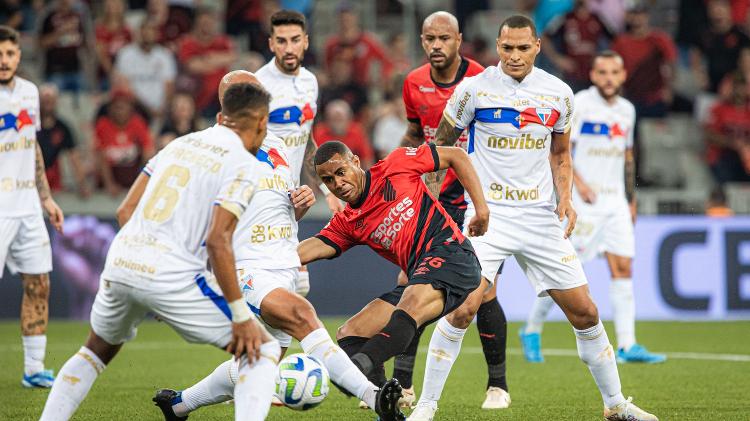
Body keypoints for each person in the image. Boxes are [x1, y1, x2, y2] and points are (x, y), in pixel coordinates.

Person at [407, 16, 658, 421]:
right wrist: (432, 201)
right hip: (489, 217)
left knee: (586, 312)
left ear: (537, 46)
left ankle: (615, 405)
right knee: (462, 308)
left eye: (523, 48)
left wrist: (567, 200)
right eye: (507, 48)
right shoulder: (474, 90)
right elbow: (440, 147)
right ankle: (427, 406)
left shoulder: (558, 94)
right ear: (498, 46)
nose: (515, 56)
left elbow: (560, 153)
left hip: (540, 218)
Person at [151, 70, 391, 421]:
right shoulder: (209, 148)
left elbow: (277, 204)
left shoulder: (278, 145)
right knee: (303, 317)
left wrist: (300, 204)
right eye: (241, 94)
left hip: (285, 264)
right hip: (247, 267)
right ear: (224, 105)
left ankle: (180, 404)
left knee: (262, 361)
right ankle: (374, 397)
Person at [39, 82, 281, 421]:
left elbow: (125, 211)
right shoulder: (244, 164)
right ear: (259, 122)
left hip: (122, 260)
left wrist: (146, 284)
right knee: (263, 347)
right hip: (170, 273)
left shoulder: (179, 144)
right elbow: (218, 240)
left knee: (96, 351)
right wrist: (240, 315)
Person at [338, 11, 510, 411]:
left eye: (444, 38)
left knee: (484, 291)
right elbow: (416, 134)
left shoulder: (482, 80)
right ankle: (402, 385)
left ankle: (497, 385)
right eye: (429, 38)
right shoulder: (414, 82)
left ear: (459, 39)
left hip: (470, 191)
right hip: (431, 194)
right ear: (422, 40)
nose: (436, 45)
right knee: (409, 281)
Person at [299, 139, 492, 421]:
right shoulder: (348, 222)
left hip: (453, 255)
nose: (338, 183)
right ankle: (387, 412)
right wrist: (257, 264)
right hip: (420, 276)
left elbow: (457, 156)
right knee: (351, 333)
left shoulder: (396, 164)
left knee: (409, 302)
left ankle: (355, 371)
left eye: (341, 172)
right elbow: (308, 249)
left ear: (355, 161)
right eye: (328, 180)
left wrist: (481, 209)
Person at [521, 50, 667, 364]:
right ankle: (531, 329)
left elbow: (628, 157)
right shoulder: (581, 104)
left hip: (615, 203)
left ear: (623, 75)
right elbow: (559, 150)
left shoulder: (627, 110)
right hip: (584, 204)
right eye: (603, 72)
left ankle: (628, 345)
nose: (609, 78)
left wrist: (631, 199)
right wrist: (579, 185)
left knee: (623, 268)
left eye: (615, 72)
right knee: (565, 273)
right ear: (593, 75)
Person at [255, 10, 345, 299]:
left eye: (294, 40)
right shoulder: (258, 85)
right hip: (263, 195)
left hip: (292, 198)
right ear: (271, 44)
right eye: (281, 41)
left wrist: (326, 187)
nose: (288, 48)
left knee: (296, 283)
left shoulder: (310, 82)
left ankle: (264, 344)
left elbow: (306, 140)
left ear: (306, 42)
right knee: (285, 281)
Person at [0, 25, 64, 389]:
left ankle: (34, 368)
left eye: (9, 53)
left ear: (19, 55)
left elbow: (31, 146)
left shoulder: (29, 93)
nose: (3, 60)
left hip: (27, 206)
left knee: (39, 283)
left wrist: (45, 197)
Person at [94, 87, 154, 195]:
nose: (120, 111)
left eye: (124, 106)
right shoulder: (103, 125)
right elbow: (100, 156)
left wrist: (141, 181)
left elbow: (148, 151)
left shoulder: (137, 123)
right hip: (111, 173)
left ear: (130, 108)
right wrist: (109, 184)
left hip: (132, 173)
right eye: (117, 107)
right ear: (110, 108)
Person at [114, 19, 177, 120]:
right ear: (138, 33)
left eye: (151, 30)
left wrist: (163, 107)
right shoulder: (125, 54)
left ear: (157, 34)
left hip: (161, 109)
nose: (147, 34)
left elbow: (169, 86)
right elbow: (123, 86)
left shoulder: (165, 55)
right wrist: (147, 109)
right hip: (135, 107)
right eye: (144, 30)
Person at [37, 83, 90, 197]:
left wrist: (82, 184)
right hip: (32, 175)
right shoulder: (30, 126)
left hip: (52, 177)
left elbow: (74, 157)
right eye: (45, 100)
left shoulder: (63, 128)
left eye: (51, 100)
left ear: (56, 102)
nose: (48, 104)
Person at [313, 99, 375, 168]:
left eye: (340, 119)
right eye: (334, 119)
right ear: (327, 120)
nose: (337, 123)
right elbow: (312, 162)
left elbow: (367, 159)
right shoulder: (319, 132)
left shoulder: (357, 131)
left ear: (349, 119)